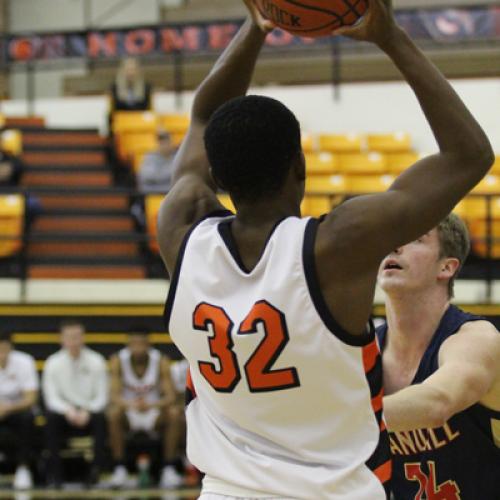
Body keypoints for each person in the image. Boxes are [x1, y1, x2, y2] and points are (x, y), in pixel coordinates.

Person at [156, 0, 494, 497]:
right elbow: (470, 154)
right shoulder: (338, 244)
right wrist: (390, 37)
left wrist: (254, 28)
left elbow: (205, 114)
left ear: (217, 174)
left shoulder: (180, 229)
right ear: (300, 167)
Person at [377, 213, 500, 500]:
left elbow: (437, 403)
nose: (395, 247)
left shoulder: (477, 340)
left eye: (416, 240)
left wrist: (337, 420)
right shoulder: (364, 350)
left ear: (446, 267)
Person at [107, 328, 183, 489]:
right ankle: (120, 468)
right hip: (129, 411)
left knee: (175, 413)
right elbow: (113, 396)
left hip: (153, 411)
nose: (138, 348)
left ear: (149, 345)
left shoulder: (161, 360)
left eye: (141, 344)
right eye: (134, 344)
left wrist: (151, 405)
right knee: (113, 414)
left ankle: (169, 468)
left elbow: (171, 396)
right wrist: (131, 405)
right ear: (127, 345)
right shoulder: (118, 360)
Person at [42, 320, 108, 487]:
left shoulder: (96, 361)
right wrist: (68, 410)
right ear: (62, 339)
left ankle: (95, 472)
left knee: (102, 419)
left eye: (77, 336)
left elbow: (102, 396)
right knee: (50, 420)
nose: (74, 341)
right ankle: (55, 475)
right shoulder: (52, 362)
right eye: (69, 337)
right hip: (64, 413)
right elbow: (51, 398)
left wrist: (88, 410)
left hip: (89, 412)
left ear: (83, 338)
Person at [0, 330, 38, 490]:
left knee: (27, 418)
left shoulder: (24, 361)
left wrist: (8, 408)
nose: (1, 354)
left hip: (17, 409)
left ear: (11, 347)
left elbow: (31, 398)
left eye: (4, 349)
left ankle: (23, 468)